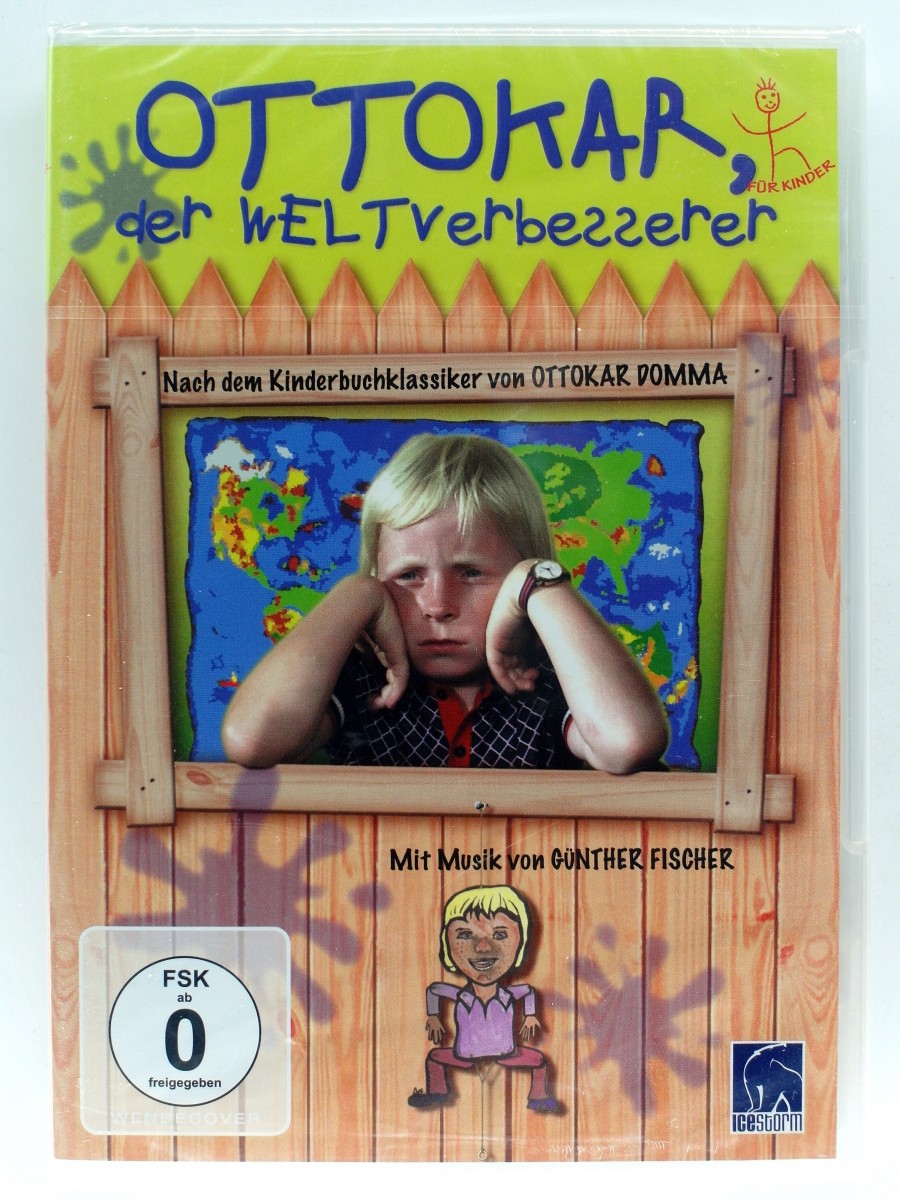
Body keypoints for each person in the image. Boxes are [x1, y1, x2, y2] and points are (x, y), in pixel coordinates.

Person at [221, 432, 668, 771]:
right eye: (408, 576)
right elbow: (251, 741)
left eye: (471, 573)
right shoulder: (360, 681)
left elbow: (629, 743)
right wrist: (357, 592)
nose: (438, 606)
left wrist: (537, 583)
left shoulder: (550, 679)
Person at [408, 884, 557, 1112]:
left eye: (500, 934)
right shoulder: (462, 995)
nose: (483, 947)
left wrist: (530, 1016)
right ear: (447, 945)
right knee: (435, 1057)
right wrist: (433, 1016)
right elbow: (435, 990)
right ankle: (437, 1092)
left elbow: (528, 991)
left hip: (506, 1053)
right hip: (465, 1055)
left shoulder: (506, 995)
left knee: (538, 1061)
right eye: (465, 934)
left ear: (521, 943)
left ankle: (539, 1097)